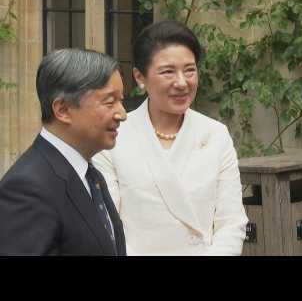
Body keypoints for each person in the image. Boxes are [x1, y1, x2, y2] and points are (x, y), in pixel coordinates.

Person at [92, 20, 248, 256]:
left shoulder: (215, 134)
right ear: (140, 77)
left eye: (190, 70)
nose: (182, 83)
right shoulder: (114, 137)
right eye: (167, 71)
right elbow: (109, 228)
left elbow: (231, 222)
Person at [0, 49, 127, 255]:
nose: (122, 114)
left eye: (121, 100)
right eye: (109, 102)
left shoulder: (90, 175)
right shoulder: (27, 188)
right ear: (63, 109)